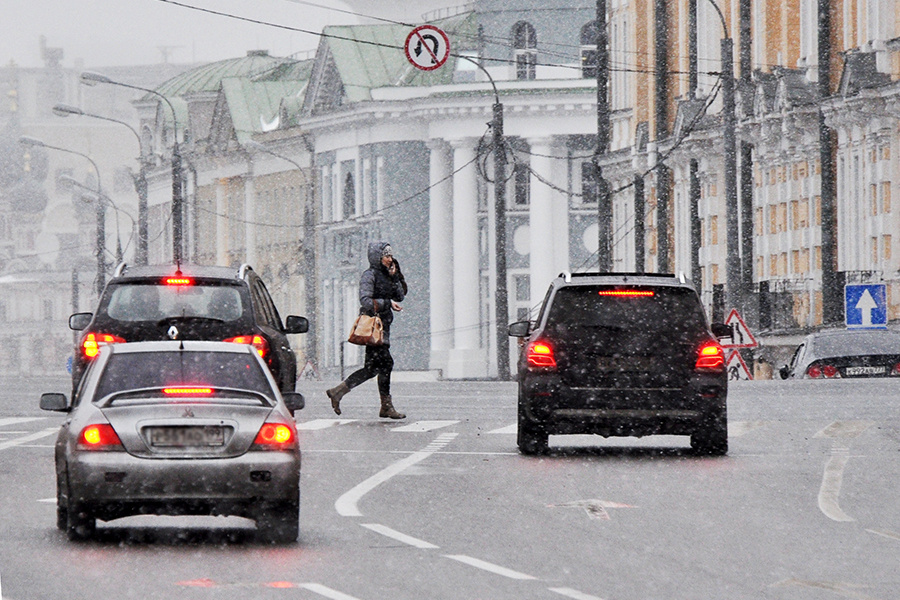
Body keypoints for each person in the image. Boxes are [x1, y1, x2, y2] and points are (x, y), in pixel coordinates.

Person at [326, 241, 407, 419]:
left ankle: (338, 392)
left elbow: (400, 295)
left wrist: (395, 277)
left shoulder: (387, 276)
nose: (390, 259)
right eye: (386, 256)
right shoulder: (369, 275)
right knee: (386, 364)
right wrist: (386, 303)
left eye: (390, 255)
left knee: (371, 369)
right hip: (373, 328)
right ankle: (386, 405)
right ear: (377, 258)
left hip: (383, 327)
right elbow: (366, 300)